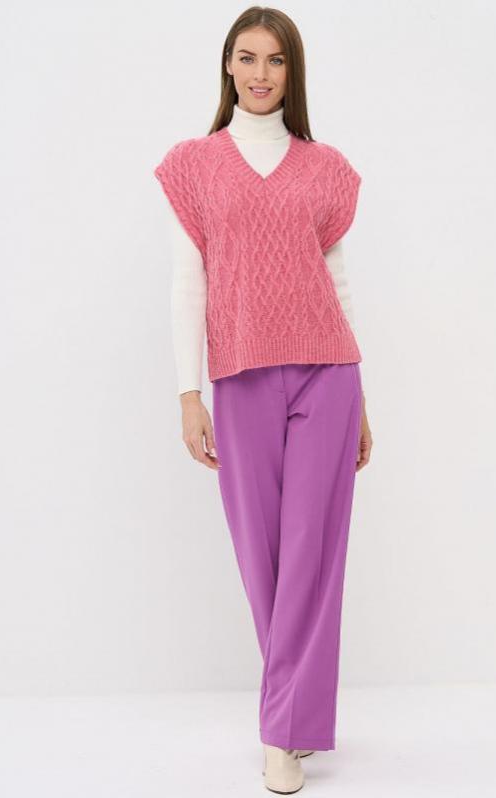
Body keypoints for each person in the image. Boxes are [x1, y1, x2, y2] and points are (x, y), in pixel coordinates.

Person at [153, 7, 373, 794]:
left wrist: (362, 397)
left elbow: (336, 278)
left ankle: (282, 734)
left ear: (291, 72)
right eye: (246, 58)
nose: (259, 73)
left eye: (274, 60)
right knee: (263, 558)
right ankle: (297, 717)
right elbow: (188, 282)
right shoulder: (194, 166)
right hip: (240, 375)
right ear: (227, 66)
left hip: (327, 373)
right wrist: (188, 392)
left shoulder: (324, 167)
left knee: (314, 552)